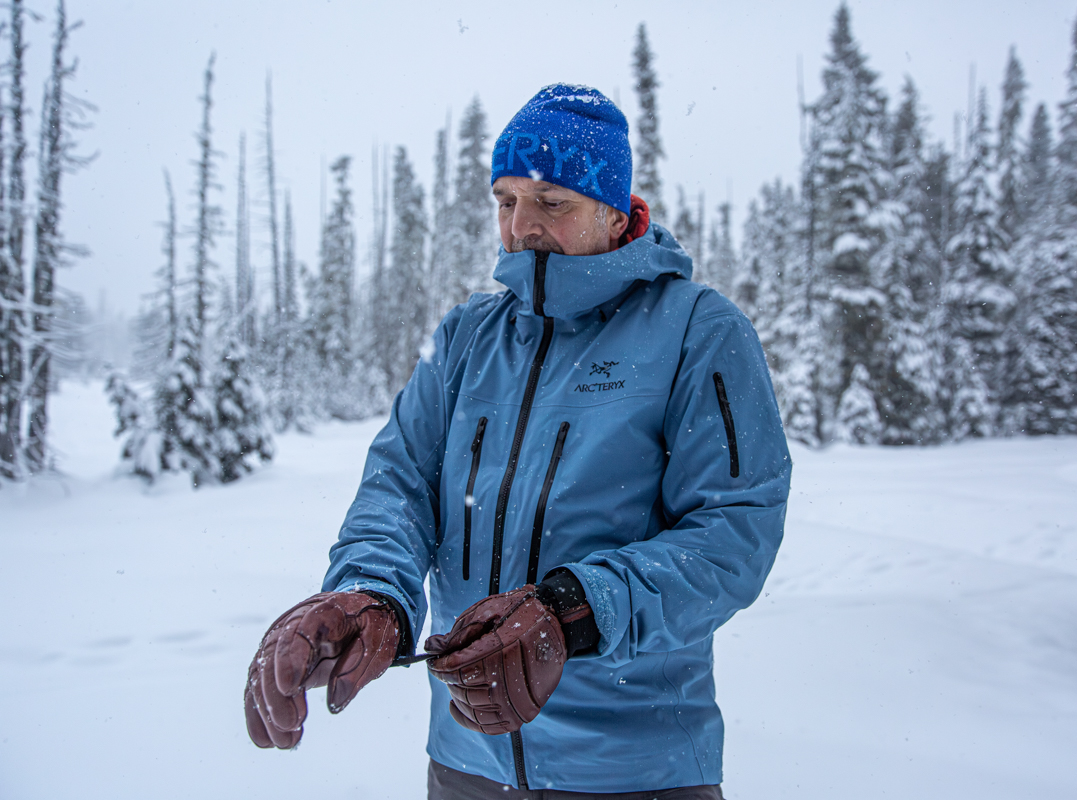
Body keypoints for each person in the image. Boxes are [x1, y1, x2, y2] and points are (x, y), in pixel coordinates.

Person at [244, 83, 791, 799]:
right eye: (506, 201)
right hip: (466, 764)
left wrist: (573, 611)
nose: (521, 227)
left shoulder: (697, 331)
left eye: (551, 203)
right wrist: (370, 593)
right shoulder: (469, 338)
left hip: (635, 771)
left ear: (613, 209)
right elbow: (399, 489)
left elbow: (734, 534)